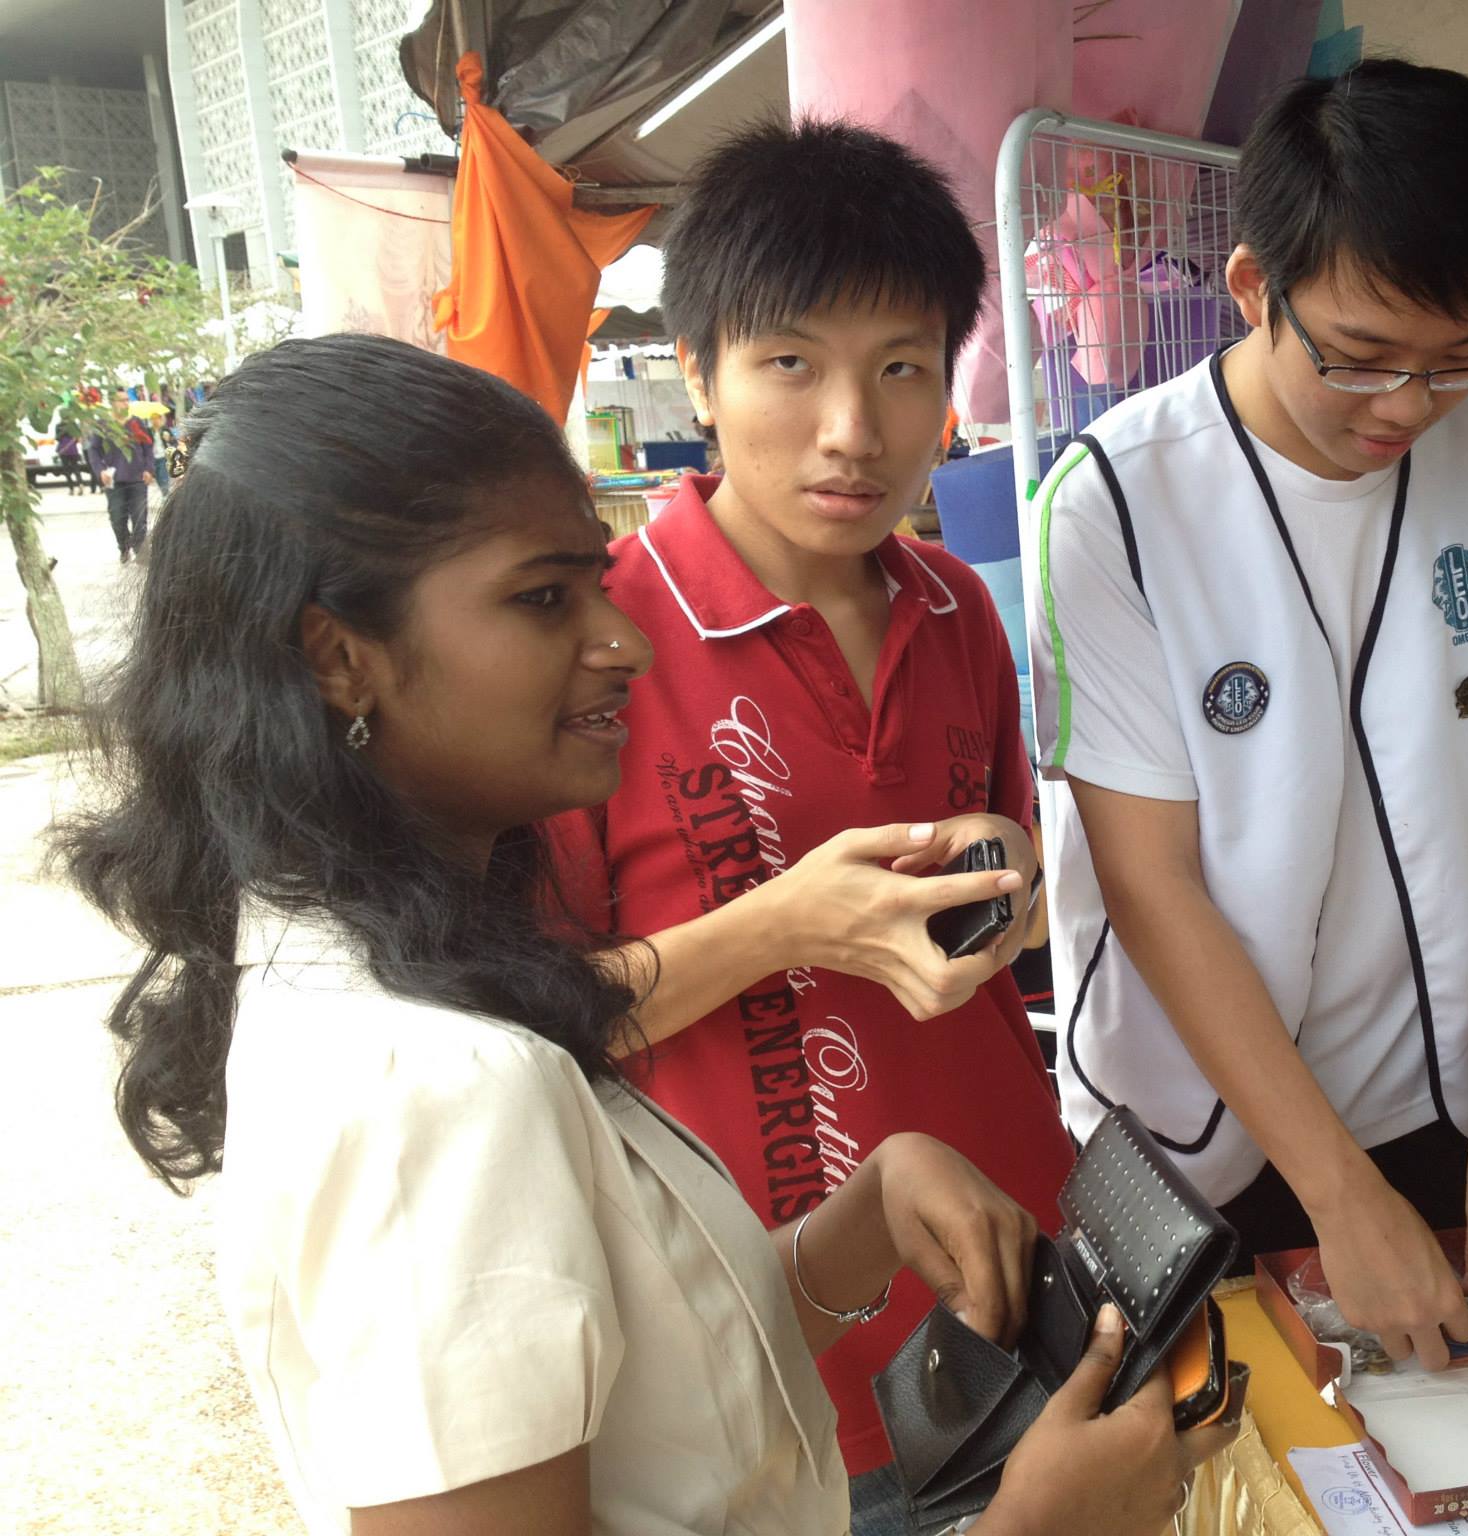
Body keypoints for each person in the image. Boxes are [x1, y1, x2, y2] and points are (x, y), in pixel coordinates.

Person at [58, 333, 1223, 1536]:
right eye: (543, 599)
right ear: (341, 660)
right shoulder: (439, 1094)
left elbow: (646, 1384)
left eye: (599, 588)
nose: (624, 643)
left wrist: (855, 1226)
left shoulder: (378, 957)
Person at [1026, 58, 1468, 1376]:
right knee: (1208, 1446)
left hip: (1431, 1087)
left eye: (1456, 359)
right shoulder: (1115, 504)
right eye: (1358, 358)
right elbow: (1148, 881)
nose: (1405, 407)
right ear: (1252, 287)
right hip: (1192, 1130)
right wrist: (1337, 1192)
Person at [541, 120, 1076, 1521]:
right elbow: (539, 1030)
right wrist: (786, 925)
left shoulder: (958, 613)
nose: (853, 431)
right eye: (790, 364)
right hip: (774, 1334)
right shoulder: (597, 645)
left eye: (902, 369)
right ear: (699, 371)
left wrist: (1013, 880)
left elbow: (1013, 908)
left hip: (1016, 1261)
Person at [87, 394, 157, 562]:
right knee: (117, 517)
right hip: (113, 480)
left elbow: (148, 447)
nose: (126, 403)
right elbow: (93, 450)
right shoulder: (103, 424)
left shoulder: (137, 423)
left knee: (139, 517)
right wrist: (100, 471)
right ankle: (124, 546)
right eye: (122, 400)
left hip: (137, 478)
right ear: (113, 403)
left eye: (127, 400)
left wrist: (149, 469)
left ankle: (140, 551)